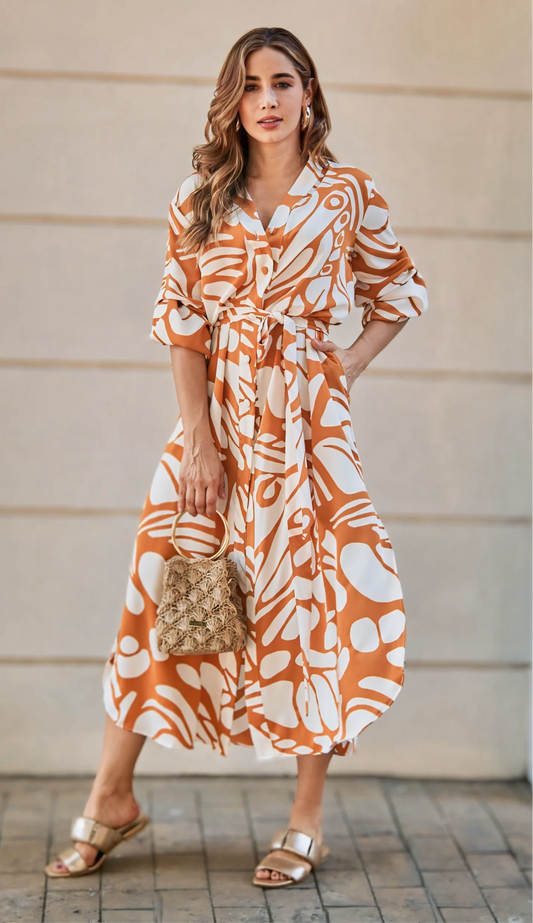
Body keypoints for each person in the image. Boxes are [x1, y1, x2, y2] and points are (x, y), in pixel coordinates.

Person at [45, 25, 428, 887]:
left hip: (309, 436)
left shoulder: (347, 195)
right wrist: (201, 441)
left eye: (282, 81)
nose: (267, 99)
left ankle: (304, 820)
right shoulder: (199, 199)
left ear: (309, 94)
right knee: (161, 594)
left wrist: (343, 368)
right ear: (233, 99)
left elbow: (398, 288)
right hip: (213, 425)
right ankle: (113, 797)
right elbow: (181, 320)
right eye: (250, 84)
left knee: (314, 612)